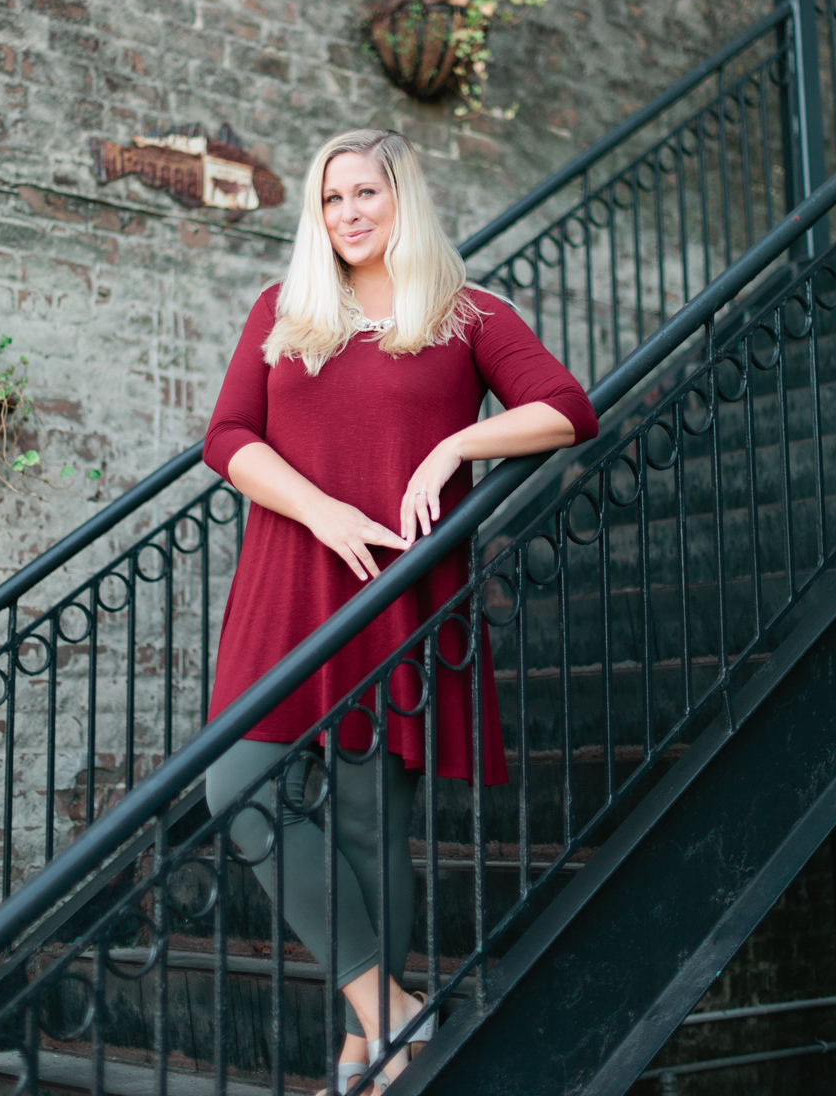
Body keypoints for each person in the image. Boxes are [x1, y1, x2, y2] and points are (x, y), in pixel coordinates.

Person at [204, 129, 597, 1094]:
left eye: (365, 194)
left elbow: (564, 407)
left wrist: (453, 449)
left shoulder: (465, 315)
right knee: (236, 786)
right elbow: (227, 437)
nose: (347, 213)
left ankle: (365, 1044)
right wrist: (321, 506)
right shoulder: (286, 309)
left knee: (373, 825)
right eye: (331, 198)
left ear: (401, 199)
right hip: (288, 584)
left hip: (399, 595)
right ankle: (391, 1009)